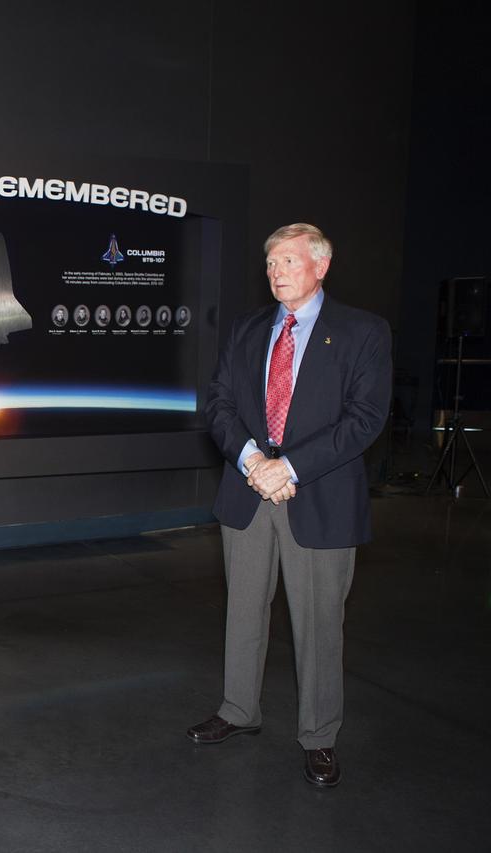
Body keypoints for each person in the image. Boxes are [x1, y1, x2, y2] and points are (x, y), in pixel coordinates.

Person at [187, 223, 391, 788]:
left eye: (289, 261)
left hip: (318, 496)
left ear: (321, 266)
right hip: (248, 491)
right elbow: (220, 403)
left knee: (320, 623)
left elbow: (365, 418)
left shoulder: (363, 332)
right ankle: (238, 710)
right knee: (243, 611)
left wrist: (289, 467)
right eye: (271, 263)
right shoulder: (248, 329)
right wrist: (253, 460)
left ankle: (319, 735)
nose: (276, 272)